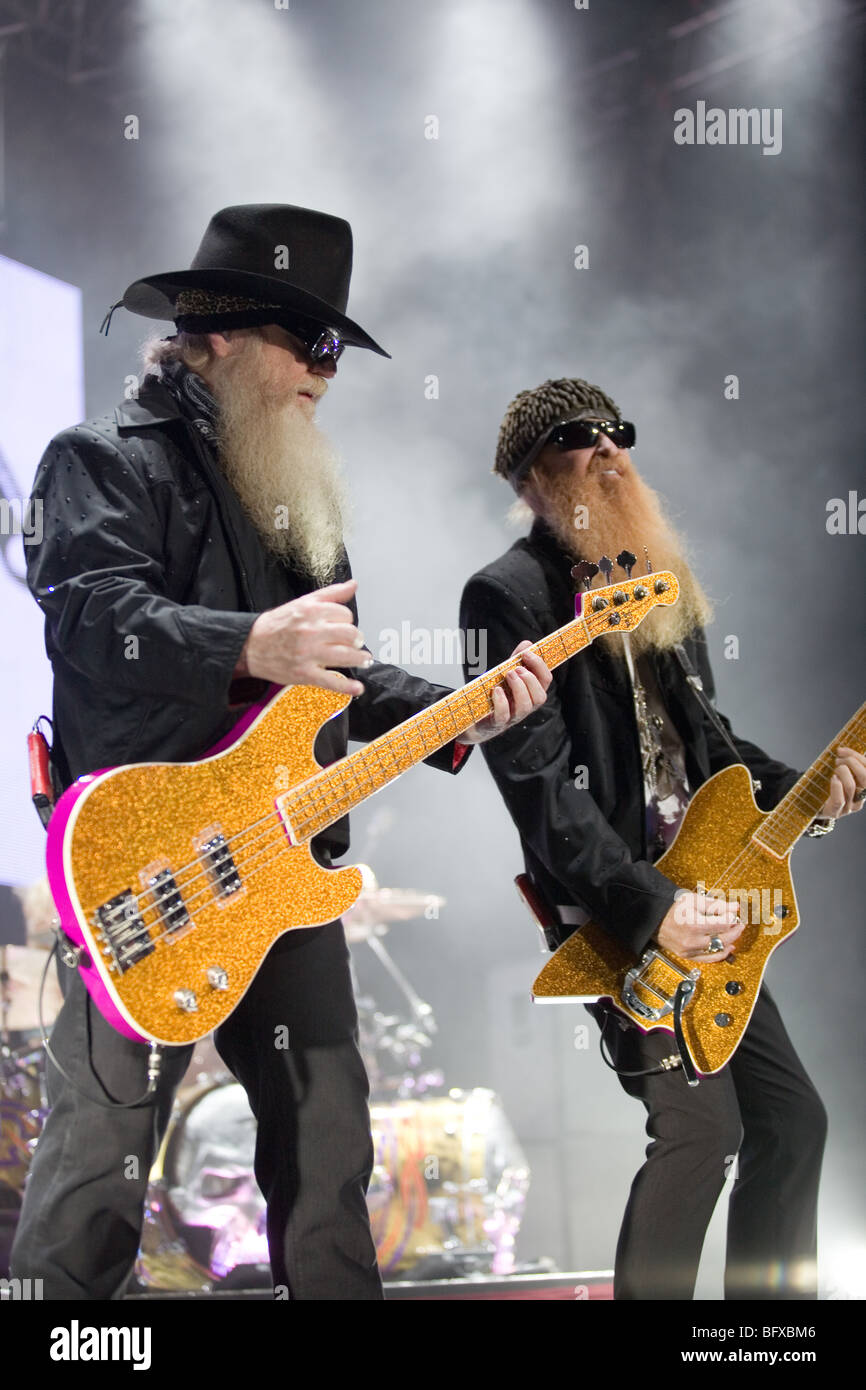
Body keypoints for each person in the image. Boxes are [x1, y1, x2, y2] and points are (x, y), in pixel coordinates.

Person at [11, 204, 551, 1301]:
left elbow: (330, 688)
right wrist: (248, 640)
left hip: (282, 875)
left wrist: (465, 710)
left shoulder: (295, 495)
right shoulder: (98, 462)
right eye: (308, 342)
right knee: (92, 1182)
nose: (327, 368)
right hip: (148, 870)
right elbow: (90, 616)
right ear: (213, 333)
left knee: (328, 1160)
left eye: (336, 347)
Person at [460, 376, 866, 1300]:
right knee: (699, 1134)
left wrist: (809, 788)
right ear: (528, 476)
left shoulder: (661, 580)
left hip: (713, 905)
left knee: (793, 1124)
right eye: (578, 435)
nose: (608, 448)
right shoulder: (506, 597)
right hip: (619, 916)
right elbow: (538, 790)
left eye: (618, 432)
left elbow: (714, 750)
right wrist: (651, 909)